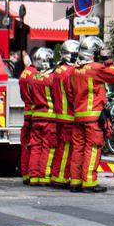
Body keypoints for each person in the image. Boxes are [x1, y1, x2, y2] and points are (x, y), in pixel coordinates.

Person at [69, 36, 114, 193]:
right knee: (93, 148)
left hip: (79, 116)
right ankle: (89, 182)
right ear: (94, 53)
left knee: (78, 149)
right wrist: (107, 58)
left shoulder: (75, 70)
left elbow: (71, 93)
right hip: (93, 117)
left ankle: (76, 181)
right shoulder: (96, 68)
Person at [48, 40, 80, 188]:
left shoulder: (58, 70)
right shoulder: (70, 72)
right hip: (69, 117)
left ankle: (57, 175)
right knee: (67, 149)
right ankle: (61, 177)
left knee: (60, 147)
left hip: (59, 116)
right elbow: (73, 94)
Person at [25, 50, 57, 185]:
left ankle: (33, 176)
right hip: (49, 118)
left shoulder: (32, 78)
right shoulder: (51, 79)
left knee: (35, 148)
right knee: (47, 148)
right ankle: (44, 176)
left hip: (36, 117)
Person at [18, 51, 38, 184]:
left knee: (26, 145)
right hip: (36, 112)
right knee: (36, 146)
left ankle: (25, 174)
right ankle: (33, 174)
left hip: (27, 112)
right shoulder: (35, 74)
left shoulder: (24, 74)